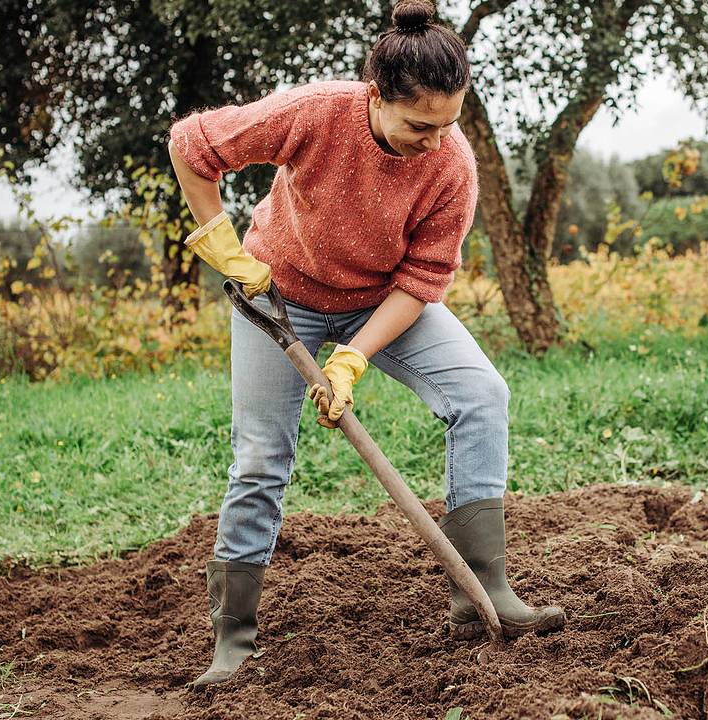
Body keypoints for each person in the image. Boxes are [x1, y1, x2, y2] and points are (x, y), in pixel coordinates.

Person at [166, 0, 565, 690]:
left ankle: (486, 592)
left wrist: (353, 357)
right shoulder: (319, 111)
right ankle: (233, 641)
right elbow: (192, 144)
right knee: (261, 456)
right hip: (276, 297)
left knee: (481, 395)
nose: (436, 141)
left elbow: (422, 279)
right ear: (376, 97)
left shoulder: (453, 167)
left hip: (380, 302)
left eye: (449, 123)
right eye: (419, 124)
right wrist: (222, 246)